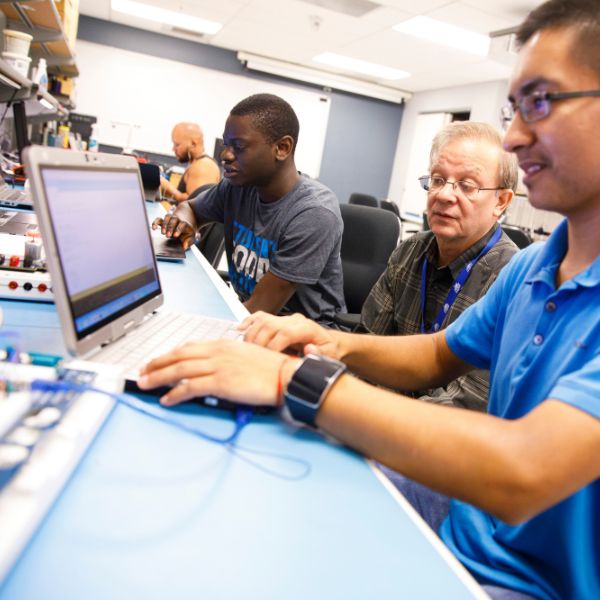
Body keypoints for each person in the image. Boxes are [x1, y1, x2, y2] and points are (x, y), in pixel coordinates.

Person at [139, 1, 600, 597]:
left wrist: (292, 381)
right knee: (260, 492)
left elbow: (523, 472)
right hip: (469, 523)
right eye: (515, 107)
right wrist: (325, 341)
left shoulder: (508, 265)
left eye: (541, 100)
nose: (514, 134)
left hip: (533, 582)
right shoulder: (539, 264)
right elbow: (437, 355)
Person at [360, 121, 519, 411]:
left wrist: (376, 407)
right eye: (437, 179)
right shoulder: (409, 251)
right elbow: (366, 347)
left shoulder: (512, 279)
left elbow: (469, 402)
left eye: (467, 185)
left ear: (501, 201)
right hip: (379, 415)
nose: (444, 195)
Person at [154, 93, 346, 325]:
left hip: (303, 340)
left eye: (239, 146)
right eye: (226, 145)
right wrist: (183, 221)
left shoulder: (313, 213)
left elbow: (257, 311)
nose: (225, 155)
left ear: (282, 148)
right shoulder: (238, 188)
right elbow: (190, 207)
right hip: (248, 318)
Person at [160, 122, 221, 203]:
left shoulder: (203, 166)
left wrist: (168, 187)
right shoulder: (196, 163)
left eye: (177, 145)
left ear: (193, 143)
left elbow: (196, 203)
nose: (173, 149)